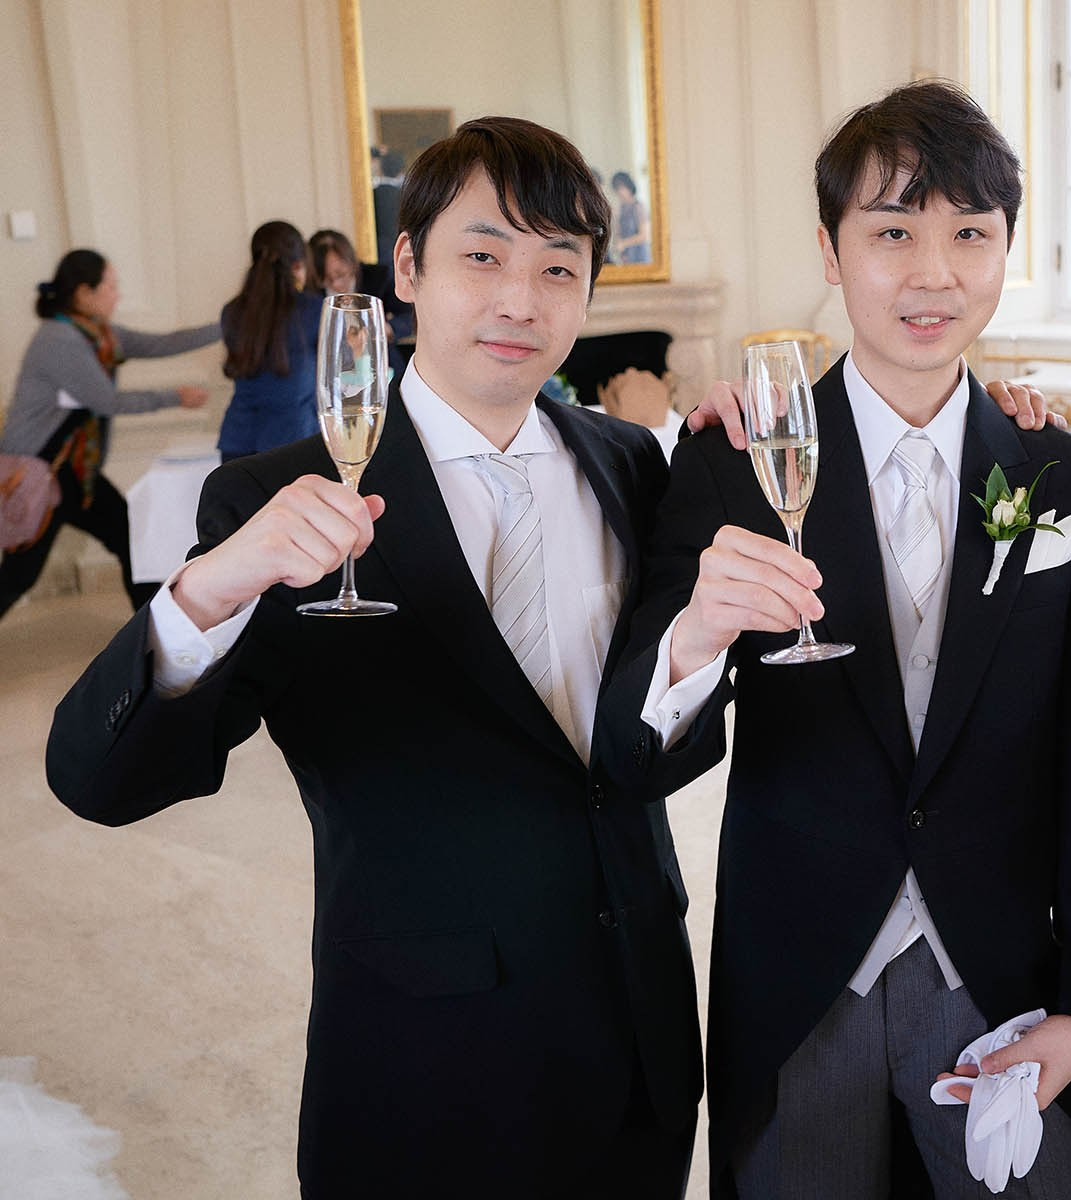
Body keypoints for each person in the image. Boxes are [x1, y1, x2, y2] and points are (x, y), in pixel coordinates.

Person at [46, 117, 734, 1197]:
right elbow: (101, 780)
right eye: (483, 256)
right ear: (406, 267)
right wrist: (209, 588)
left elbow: (655, 737)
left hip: (637, 1028)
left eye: (560, 267)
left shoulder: (630, 466)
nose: (521, 298)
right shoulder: (276, 499)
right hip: (425, 1062)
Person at [598, 80, 1071, 1198]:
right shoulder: (729, 460)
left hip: (1001, 979)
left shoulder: (1069, 479)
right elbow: (638, 752)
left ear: (1004, 254)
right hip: (799, 971)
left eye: (968, 236)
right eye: (892, 232)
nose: (932, 273)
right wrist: (700, 630)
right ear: (832, 253)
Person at [0, 250, 216, 618]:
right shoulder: (60, 339)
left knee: (129, 538)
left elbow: (163, 343)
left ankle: (153, 627)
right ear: (85, 293)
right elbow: (106, 401)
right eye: (111, 286)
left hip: (72, 474)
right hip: (43, 474)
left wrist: (234, 322)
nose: (117, 295)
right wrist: (174, 397)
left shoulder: (101, 336)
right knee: (20, 575)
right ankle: (155, 627)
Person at [216, 221, 326, 461]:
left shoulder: (231, 312)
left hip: (239, 440)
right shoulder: (315, 310)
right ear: (299, 265)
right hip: (296, 442)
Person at [309, 228, 417, 342]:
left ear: (351, 262)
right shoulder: (310, 292)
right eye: (326, 279)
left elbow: (411, 316)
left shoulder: (378, 277)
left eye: (340, 274)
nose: (336, 284)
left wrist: (387, 328)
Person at [610, 171, 650, 264]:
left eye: (622, 188)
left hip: (640, 257)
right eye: (617, 189)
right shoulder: (621, 209)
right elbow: (618, 234)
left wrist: (624, 243)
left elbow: (644, 235)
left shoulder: (638, 207)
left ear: (629, 187)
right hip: (626, 258)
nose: (620, 192)